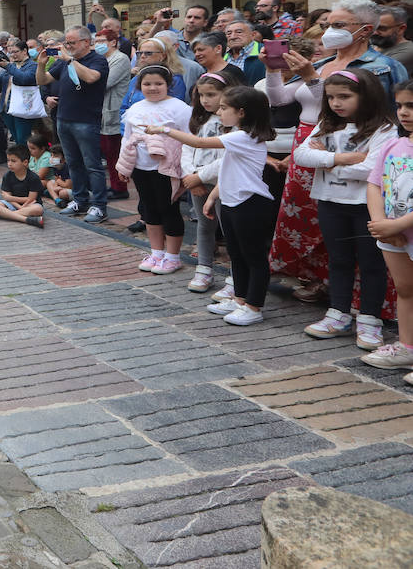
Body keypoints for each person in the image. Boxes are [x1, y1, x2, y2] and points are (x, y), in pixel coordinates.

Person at [150, 86, 277, 325]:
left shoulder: (243, 137)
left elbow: (199, 141)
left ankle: (254, 306)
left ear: (241, 112)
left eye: (223, 108)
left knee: (254, 258)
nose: (219, 112)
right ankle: (240, 298)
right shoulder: (237, 136)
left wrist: (164, 130)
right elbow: (229, 168)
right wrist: (212, 197)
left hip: (249, 205)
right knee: (236, 255)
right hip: (232, 202)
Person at [294, 69, 398, 350]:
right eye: (331, 97)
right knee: (338, 259)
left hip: (366, 206)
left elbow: (371, 169)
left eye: (345, 96)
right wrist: (342, 158)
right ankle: (338, 314)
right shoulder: (327, 124)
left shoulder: (384, 129)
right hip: (330, 202)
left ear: (366, 96)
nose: (336, 103)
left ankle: (369, 319)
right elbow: (301, 155)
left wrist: (326, 161)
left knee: (371, 264)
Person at [115, 66, 193, 274]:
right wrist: (124, 165)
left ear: (168, 84)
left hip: (166, 167)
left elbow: (190, 139)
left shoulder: (180, 108)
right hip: (141, 166)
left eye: (158, 83)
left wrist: (188, 169)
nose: (153, 88)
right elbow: (127, 137)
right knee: (149, 209)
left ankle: (173, 256)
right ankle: (156, 252)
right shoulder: (136, 108)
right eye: (147, 84)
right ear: (140, 86)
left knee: (168, 209)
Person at [362, 81, 413, 373]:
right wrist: (381, 223)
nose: (404, 112)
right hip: (392, 234)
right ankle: (407, 347)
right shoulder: (394, 144)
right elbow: (374, 182)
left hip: (400, 230)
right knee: (405, 289)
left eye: (412, 106)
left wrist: (397, 226)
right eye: (400, 105)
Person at [36, 26, 110, 223]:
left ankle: (99, 206)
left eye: (71, 43)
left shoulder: (97, 60)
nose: (67, 46)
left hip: (86, 120)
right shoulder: (62, 62)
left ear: (86, 42)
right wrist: (41, 64)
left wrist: (69, 59)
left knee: (92, 165)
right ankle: (80, 200)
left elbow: (92, 77)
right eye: (66, 43)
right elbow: (42, 80)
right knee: (74, 163)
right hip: (63, 119)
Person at [181, 68, 244, 293]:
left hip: (223, 183)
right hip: (198, 182)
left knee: (229, 231)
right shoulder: (199, 118)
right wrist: (191, 176)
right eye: (201, 95)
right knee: (204, 226)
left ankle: (235, 277)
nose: (205, 100)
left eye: (211, 95)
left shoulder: (235, 122)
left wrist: (199, 176)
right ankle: (204, 269)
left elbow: (228, 158)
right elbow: (188, 147)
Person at [96, 30, 133, 200]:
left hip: (114, 108)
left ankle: (120, 187)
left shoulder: (120, 59)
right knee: (108, 151)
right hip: (101, 109)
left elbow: (106, 82)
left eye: (102, 41)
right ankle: (114, 184)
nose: (98, 44)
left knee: (114, 151)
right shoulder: (101, 59)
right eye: (96, 41)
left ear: (113, 42)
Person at [0, 145, 45, 228]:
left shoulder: (33, 177)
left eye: (13, 161)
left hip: (29, 205)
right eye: (8, 161)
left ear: (25, 162)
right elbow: (6, 197)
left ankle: (1, 215)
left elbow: (31, 199)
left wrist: (11, 199)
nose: (9, 164)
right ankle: (26, 220)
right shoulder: (7, 176)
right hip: (12, 205)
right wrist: (19, 206)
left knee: (38, 209)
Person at [2, 39, 43, 148]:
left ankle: (27, 162)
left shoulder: (32, 65)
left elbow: (25, 79)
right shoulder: (12, 65)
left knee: (22, 139)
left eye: (16, 52)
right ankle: (21, 162)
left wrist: (9, 66)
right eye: (11, 52)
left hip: (23, 107)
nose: (13, 55)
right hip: (8, 106)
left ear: (24, 51)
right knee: (16, 138)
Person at [374, 5, 413, 74]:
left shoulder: (408, 51)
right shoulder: (372, 45)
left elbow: (373, 71)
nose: (375, 33)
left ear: (401, 29)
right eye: (373, 28)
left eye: (382, 28)